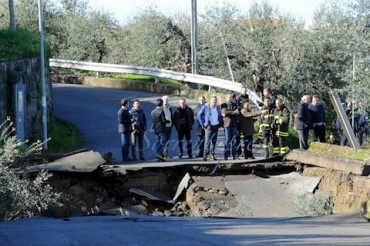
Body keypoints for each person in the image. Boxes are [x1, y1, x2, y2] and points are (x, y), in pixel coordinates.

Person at [198, 96, 223, 161]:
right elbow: (199, 115)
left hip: (216, 126)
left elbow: (220, 115)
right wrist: (203, 124)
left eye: (215, 101)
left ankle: (212, 155)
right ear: (210, 101)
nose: (214, 102)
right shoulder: (206, 107)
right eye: (213, 100)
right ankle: (205, 155)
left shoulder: (218, 107)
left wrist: (220, 123)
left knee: (214, 142)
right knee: (207, 141)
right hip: (209, 126)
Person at [221, 93, 239, 160]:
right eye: (229, 97)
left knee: (234, 140)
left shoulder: (235, 105)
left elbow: (238, 113)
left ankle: (234, 155)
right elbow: (224, 113)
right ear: (226, 98)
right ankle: (226, 155)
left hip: (234, 124)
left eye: (231, 97)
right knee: (227, 140)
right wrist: (233, 112)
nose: (230, 98)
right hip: (227, 125)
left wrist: (232, 112)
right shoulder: (224, 105)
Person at [236, 87, 249, 157]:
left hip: (245, 120)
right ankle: (239, 152)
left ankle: (246, 152)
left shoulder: (247, 97)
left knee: (246, 137)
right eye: (243, 90)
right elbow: (237, 108)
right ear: (240, 91)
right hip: (239, 120)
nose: (245, 91)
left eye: (245, 90)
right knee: (238, 137)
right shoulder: (238, 98)